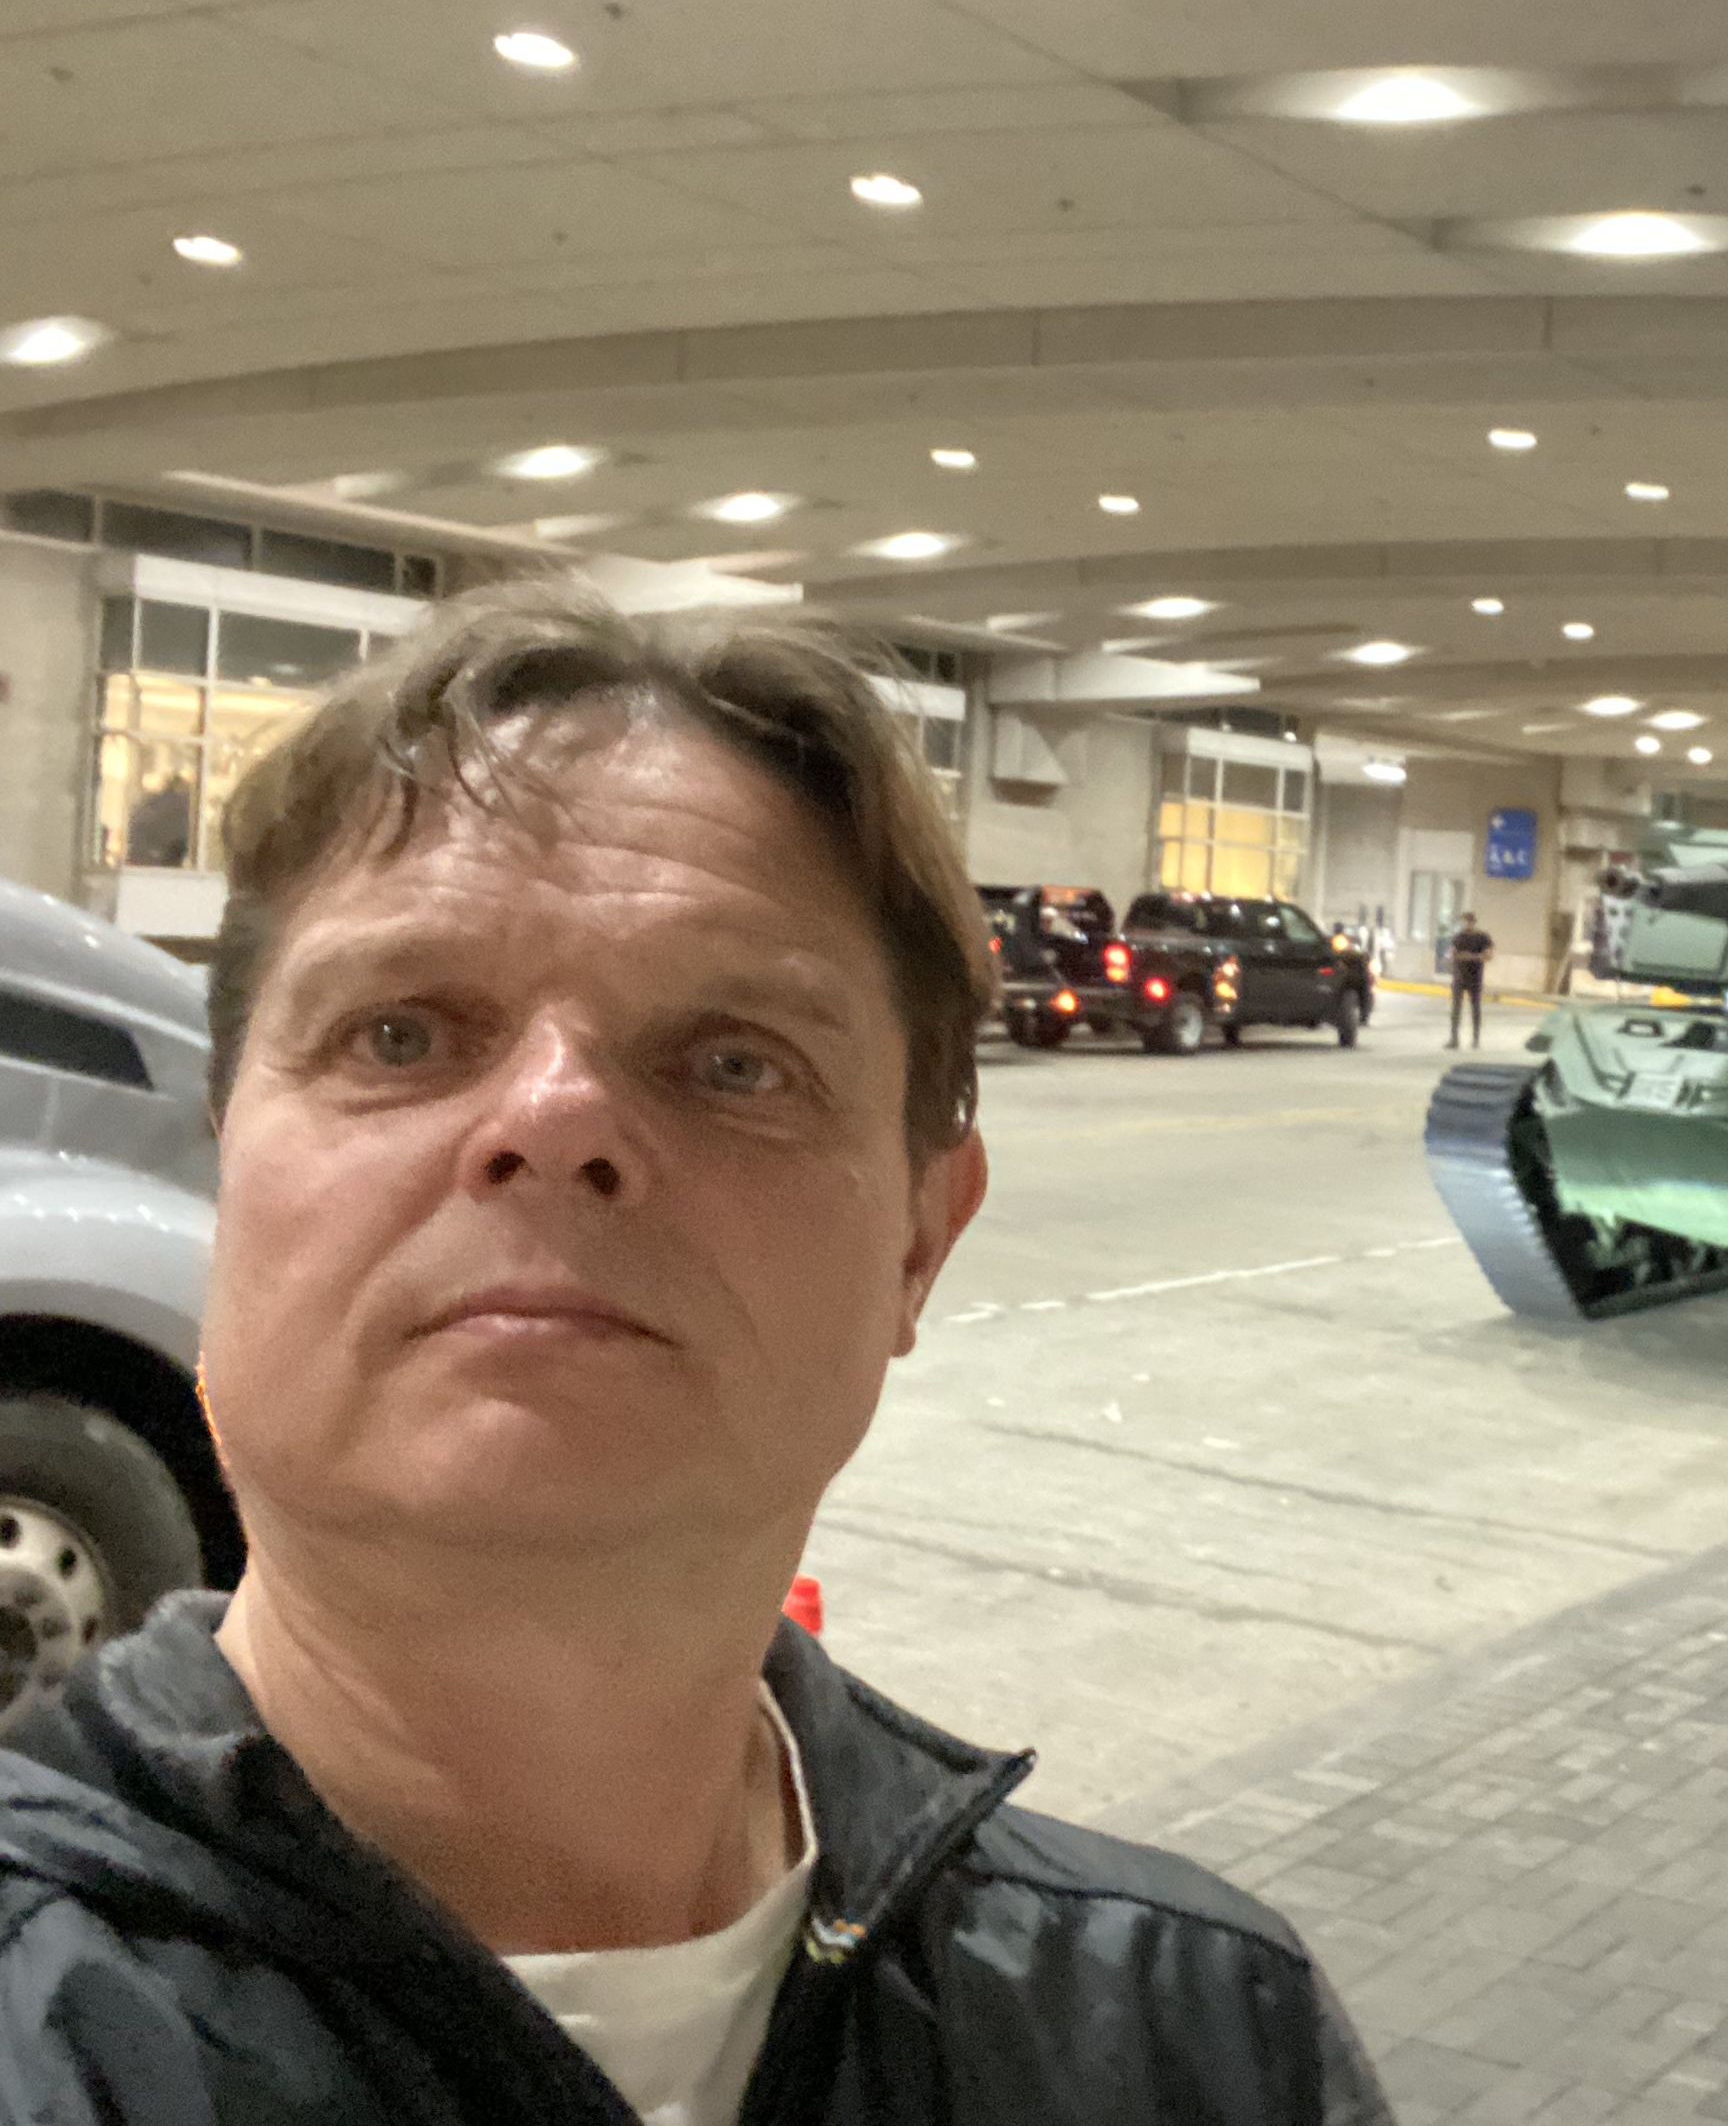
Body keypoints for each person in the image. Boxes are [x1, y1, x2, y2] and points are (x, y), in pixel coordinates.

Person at [0, 583, 1391, 2125]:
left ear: (919, 1242)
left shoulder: (1200, 2040)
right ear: (227, 1162)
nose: (553, 1119)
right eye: (400, 1035)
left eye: (734, 1065)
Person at [1445, 909, 1493, 1048]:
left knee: (1475, 1008)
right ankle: (1454, 1039)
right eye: (1464, 921)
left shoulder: (1482, 937)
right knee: (1456, 1009)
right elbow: (1451, 953)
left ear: (1473, 922)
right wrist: (1455, 956)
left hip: (1475, 978)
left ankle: (1475, 1039)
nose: (1466, 924)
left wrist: (1471, 957)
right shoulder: (1458, 937)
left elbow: (1488, 955)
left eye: (1468, 921)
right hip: (1459, 978)